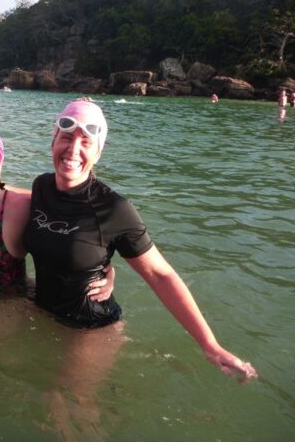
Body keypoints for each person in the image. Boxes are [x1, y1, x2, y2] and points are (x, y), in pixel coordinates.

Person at [22, 99, 257, 380]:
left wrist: (210, 345)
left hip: (91, 328)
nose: (73, 150)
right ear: (53, 140)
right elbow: (13, 198)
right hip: (44, 313)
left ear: (98, 152)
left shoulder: (113, 209)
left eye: (86, 142)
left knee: (64, 404)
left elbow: (160, 275)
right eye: (67, 138)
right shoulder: (41, 187)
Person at [0, 125, 114, 301]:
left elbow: (74, 224)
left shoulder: (21, 206)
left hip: (12, 306)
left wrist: (102, 268)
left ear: (0, 166)